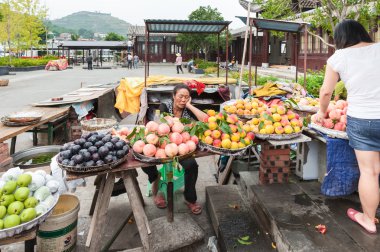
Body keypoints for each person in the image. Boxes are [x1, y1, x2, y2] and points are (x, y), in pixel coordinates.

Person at [315, 19, 380, 234]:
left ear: (340, 38)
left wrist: (321, 112)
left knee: (369, 171)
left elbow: (326, 92)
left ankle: (368, 219)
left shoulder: (339, 57)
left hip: (362, 119)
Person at [142, 84, 208, 215]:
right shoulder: (165, 106)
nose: (183, 100)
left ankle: (190, 199)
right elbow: (158, 123)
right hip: (162, 144)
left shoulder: (188, 109)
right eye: (180, 96)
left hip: (181, 145)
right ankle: (157, 183)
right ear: (173, 96)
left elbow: (205, 120)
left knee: (192, 166)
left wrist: (189, 106)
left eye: (186, 97)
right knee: (146, 163)